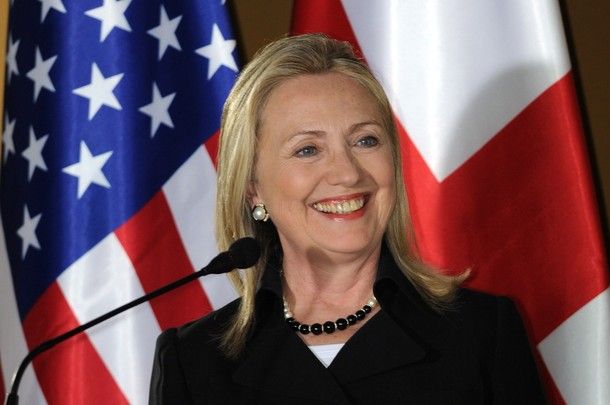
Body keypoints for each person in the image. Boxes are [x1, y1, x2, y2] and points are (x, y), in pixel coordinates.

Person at [149, 34, 546, 404]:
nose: (348, 173)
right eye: (307, 149)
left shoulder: (483, 332)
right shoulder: (193, 360)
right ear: (253, 187)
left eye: (365, 140)